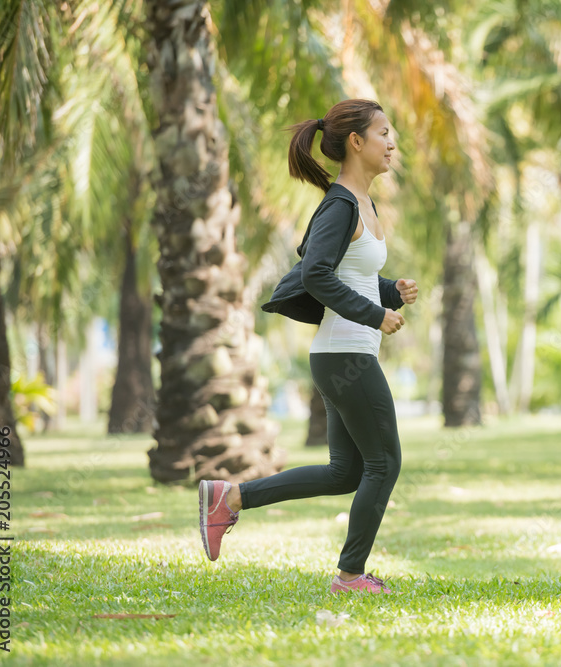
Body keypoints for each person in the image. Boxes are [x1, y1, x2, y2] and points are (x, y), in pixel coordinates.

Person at [198, 99, 418, 595]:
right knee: (385, 463)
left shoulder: (363, 203)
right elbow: (316, 274)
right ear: (356, 142)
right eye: (384, 132)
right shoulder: (339, 204)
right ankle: (350, 576)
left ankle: (230, 499)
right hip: (346, 354)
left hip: (345, 352)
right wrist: (375, 315)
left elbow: (349, 275)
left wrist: (388, 292)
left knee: (347, 471)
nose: (392, 142)